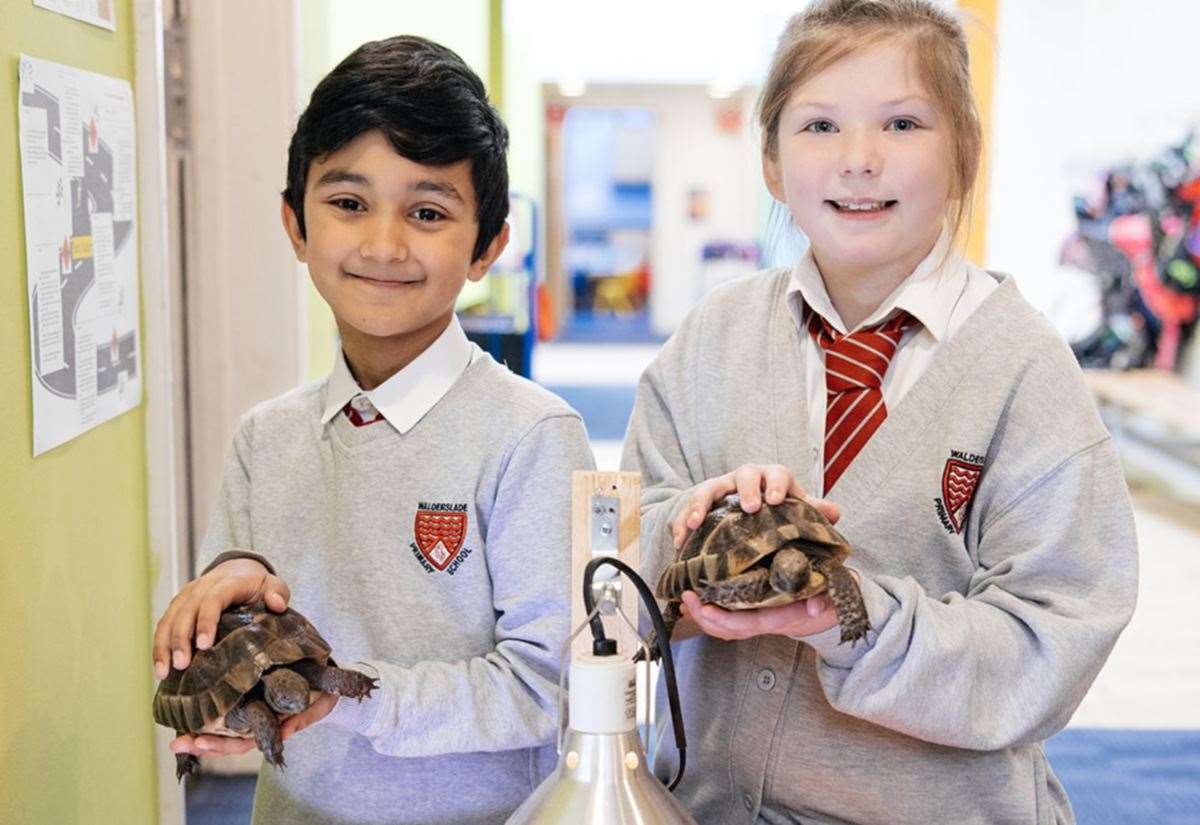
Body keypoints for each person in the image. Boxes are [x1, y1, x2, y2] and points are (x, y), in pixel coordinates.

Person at [622, 2, 1138, 823]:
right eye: (820, 125)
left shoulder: (1025, 372)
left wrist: (853, 616)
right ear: (770, 160)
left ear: (965, 150)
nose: (859, 160)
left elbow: (1052, 643)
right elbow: (618, 560)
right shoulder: (710, 340)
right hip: (706, 807)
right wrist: (695, 527)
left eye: (901, 123)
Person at [151, 35, 594, 825]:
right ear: (295, 225)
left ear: (488, 245)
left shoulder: (532, 436)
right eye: (348, 203)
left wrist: (349, 695)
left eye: (427, 212)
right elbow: (243, 637)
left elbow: (549, 687)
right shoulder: (266, 437)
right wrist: (215, 661)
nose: (384, 245)